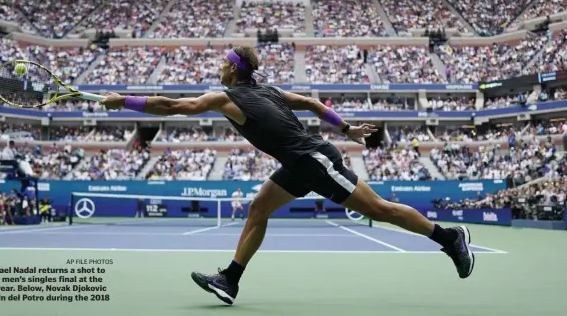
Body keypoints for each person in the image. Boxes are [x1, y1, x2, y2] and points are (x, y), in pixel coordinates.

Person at [100, 46, 475, 305]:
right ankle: (230, 279)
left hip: (313, 160)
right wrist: (345, 129)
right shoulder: (269, 90)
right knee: (259, 208)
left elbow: (173, 106)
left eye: (222, 62)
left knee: (381, 210)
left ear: (233, 68)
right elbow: (311, 103)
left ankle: (449, 238)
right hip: (297, 164)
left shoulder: (224, 97)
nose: (219, 67)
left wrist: (124, 101)